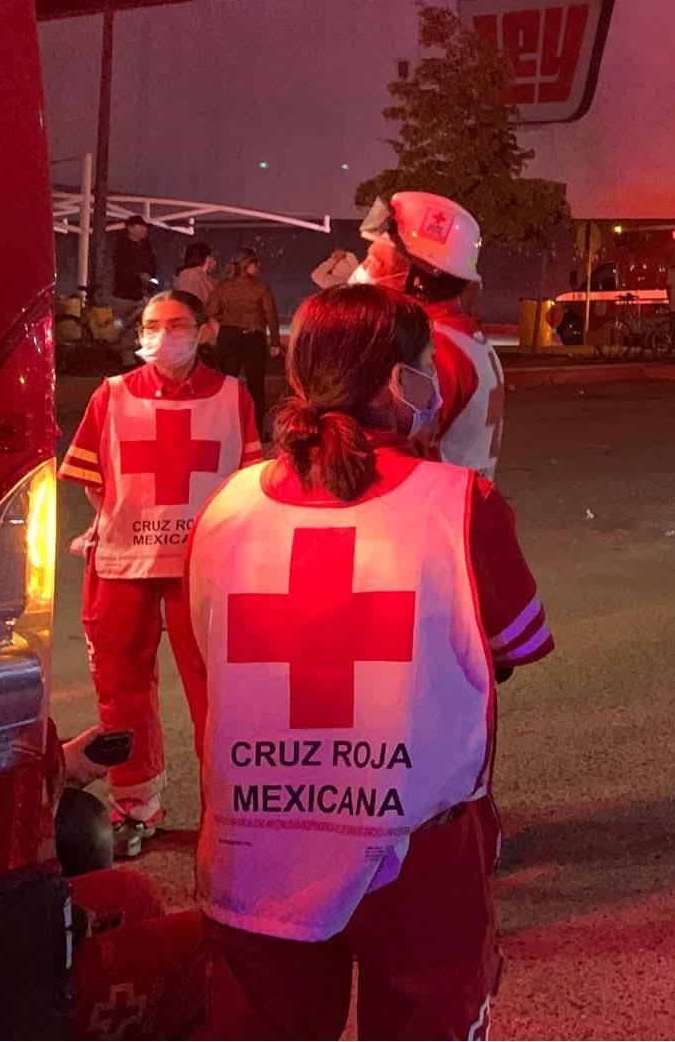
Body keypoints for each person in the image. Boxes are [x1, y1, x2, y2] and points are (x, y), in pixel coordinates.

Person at [186, 284, 553, 1039]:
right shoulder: (462, 501)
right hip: (415, 855)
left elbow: (205, 644)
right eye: (422, 364)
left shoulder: (225, 509)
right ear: (398, 380)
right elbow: (514, 647)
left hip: (256, 847)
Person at [56, 289, 259, 857]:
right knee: (121, 693)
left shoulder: (231, 396)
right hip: (123, 565)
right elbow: (95, 479)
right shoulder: (112, 394)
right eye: (151, 324)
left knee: (216, 695)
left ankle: (226, 812)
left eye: (176, 324)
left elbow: (246, 481)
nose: (162, 335)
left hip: (203, 568)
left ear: (205, 329)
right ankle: (134, 808)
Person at [354, 191, 504, 480]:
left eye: (377, 263)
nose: (364, 272)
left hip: (434, 512)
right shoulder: (456, 334)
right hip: (456, 506)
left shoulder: (434, 349)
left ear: (418, 279)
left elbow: (396, 449)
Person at [208, 248, 280, 438]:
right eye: (256, 264)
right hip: (253, 337)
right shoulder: (260, 287)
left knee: (226, 384)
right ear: (248, 265)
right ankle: (256, 429)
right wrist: (274, 342)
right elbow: (271, 315)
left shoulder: (223, 286)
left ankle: (223, 427)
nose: (258, 267)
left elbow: (210, 311)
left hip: (228, 336)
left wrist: (220, 331)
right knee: (256, 385)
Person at [108, 216, 159, 365]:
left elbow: (152, 266)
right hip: (123, 295)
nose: (145, 230)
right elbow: (121, 269)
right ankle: (125, 357)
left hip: (141, 294)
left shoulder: (146, 247)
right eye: (141, 227)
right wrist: (138, 276)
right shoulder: (120, 246)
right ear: (130, 228)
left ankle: (134, 356)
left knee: (140, 325)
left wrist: (149, 279)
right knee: (123, 326)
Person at [172, 240, 217, 309]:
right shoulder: (189, 276)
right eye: (213, 257)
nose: (215, 262)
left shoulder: (199, 276)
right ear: (208, 259)